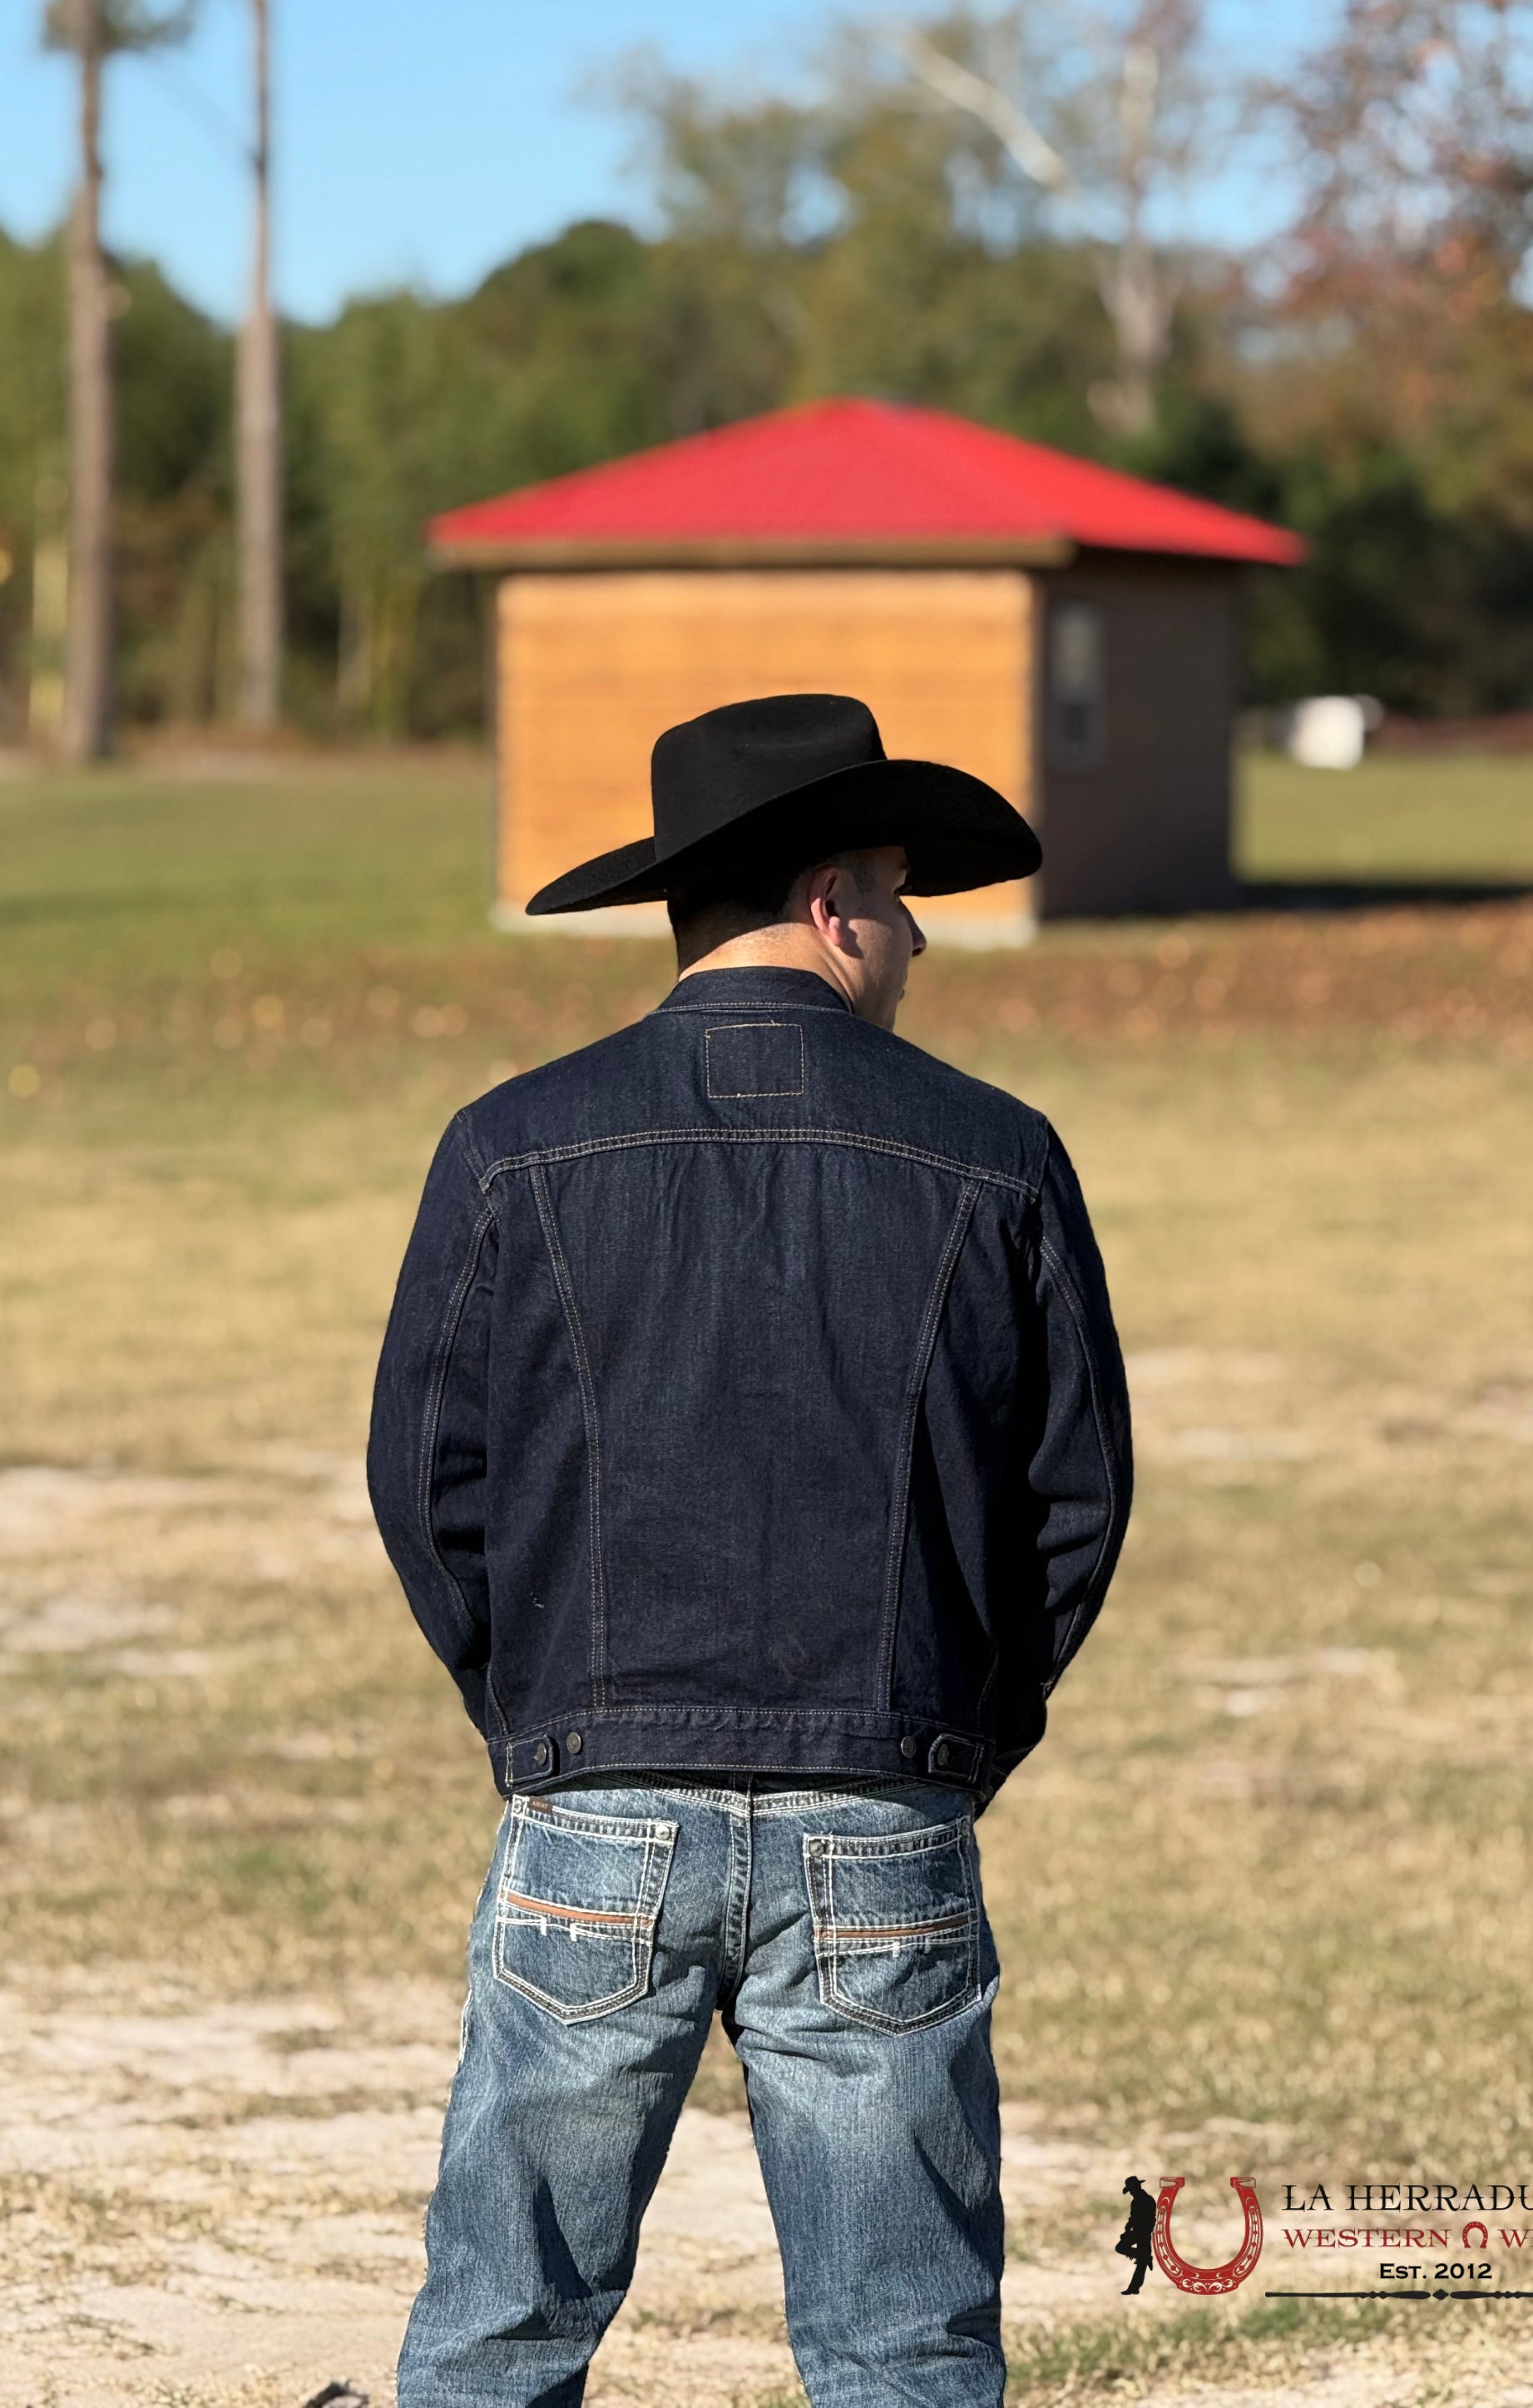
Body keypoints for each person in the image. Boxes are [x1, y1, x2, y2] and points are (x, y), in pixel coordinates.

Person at [368, 692, 1133, 2408]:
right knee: (904, 2345)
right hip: (886, 1815)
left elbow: (432, 1486)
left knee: (499, 2331)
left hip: (592, 1812)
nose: (919, 932)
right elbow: (1069, 1507)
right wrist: (944, 1738)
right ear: (828, 900)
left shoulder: (508, 1148)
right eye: (899, 889)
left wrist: (551, 1716)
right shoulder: (998, 1158)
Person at [1116, 2175, 1158, 2294]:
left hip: (1142, 2232)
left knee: (1122, 2248)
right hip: (1141, 2232)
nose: (1131, 2193)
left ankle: (1134, 2287)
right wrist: (1129, 2228)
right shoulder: (1144, 2200)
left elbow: (1147, 2218)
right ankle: (1134, 2286)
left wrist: (1132, 2228)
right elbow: (1134, 2218)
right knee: (1141, 2261)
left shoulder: (1143, 2201)